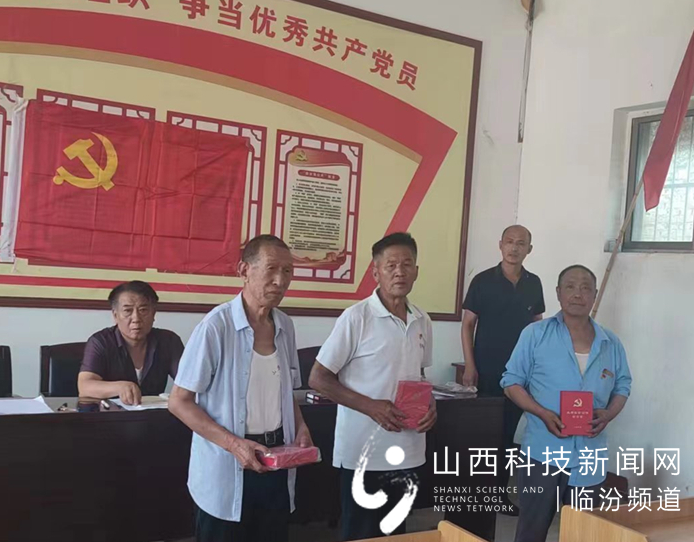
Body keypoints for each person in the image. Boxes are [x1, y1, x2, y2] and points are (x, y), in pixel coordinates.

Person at [168, 235, 313, 542]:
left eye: (287, 271)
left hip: (277, 461)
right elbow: (179, 401)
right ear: (244, 270)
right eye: (271, 269)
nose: (280, 280)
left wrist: (300, 427)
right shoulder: (215, 327)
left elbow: (285, 391)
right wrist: (234, 445)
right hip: (226, 466)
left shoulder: (285, 326)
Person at [309, 232, 436, 541]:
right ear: (376, 272)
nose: (400, 272)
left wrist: (430, 405)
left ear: (417, 271)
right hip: (363, 452)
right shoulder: (356, 317)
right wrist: (371, 407)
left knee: (396, 533)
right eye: (391, 265)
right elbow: (318, 378)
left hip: (408, 450)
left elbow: (418, 374)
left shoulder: (422, 320)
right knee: (362, 534)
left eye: (407, 264)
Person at [501, 265, 632, 542]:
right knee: (531, 531)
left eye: (585, 287)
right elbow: (511, 382)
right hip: (542, 452)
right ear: (558, 293)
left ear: (595, 294)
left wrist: (608, 414)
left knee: (583, 533)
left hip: (590, 455)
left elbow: (623, 385)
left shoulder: (610, 343)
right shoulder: (535, 334)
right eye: (570, 286)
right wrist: (541, 413)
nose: (578, 294)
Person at [461, 224, 545, 513]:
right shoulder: (483, 280)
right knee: (484, 434)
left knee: (508, 437)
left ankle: (499, 495)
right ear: (500, 245)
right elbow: (467, 325)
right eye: (509, 241)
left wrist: (538, 367)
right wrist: (470, 365)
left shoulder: (534, 283)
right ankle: (476, 494)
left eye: (521, 243)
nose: (514, 247)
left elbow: (537, 326)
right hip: (486, 370)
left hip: (520, 375)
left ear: (529, 249)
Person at [78, 280, 183, 405]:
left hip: (155, 413)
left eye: (143, 310)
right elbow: (84, 386)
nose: (136, 319)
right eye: (127, 311)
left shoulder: (169, 341)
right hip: (111, 414)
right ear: (115, 315)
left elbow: (189, 382)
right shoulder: (100, 342)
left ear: (153, 313)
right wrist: (120, 387)